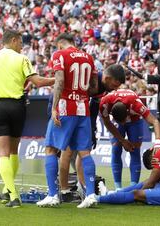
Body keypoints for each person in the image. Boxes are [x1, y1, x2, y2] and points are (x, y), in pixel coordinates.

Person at [0, 29, 55, 208]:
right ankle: (6, 189)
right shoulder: (22, 59)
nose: (21, 46)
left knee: (2, 153)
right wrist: (58, 79)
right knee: (13, 152)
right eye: (20, 43)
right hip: (18, 107)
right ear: (12, 40)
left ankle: (13, 196)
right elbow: (39, 82)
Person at [36, 33, 97, 208]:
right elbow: (93, 86)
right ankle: (91, 194)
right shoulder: (88, 57)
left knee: (50, 148)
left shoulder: (59, 55)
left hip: (65, 107)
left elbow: (60, 81)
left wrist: (55, 107)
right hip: (83, 108)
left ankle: (53, 195)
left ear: (59, 44)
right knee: (85, 152)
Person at [59, 64, 126, 196]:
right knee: (66, 152)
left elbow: (94, 109)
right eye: (114, 85)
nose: (115, 89)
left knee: (83, 151)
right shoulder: (90, 79)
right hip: (67, 112)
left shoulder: (103, 88)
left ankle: (83, 187)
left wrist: (92, 130)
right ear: (107, 78)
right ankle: (63, 190)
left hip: (82, 117)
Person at [99, 89, 160, 189]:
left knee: (135, 149)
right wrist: (122, 140)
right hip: (117, 119)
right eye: (121, 122)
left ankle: (133, 187)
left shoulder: (135, 104)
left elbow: (155, 121)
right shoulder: (104, 103)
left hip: (135, 121)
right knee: (116, 149)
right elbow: (107, 122)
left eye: (124, 121)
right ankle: (118, 188)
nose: (124, 124)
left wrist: (158, 143)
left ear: (128, 112)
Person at [96, 146, 160, 206]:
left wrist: (140, 192)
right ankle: (112, 193)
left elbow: (151, 183)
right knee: (146, 182)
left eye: (153, 168)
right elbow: (153, 181)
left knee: (136, 194)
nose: (155, 168)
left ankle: (97, 199)